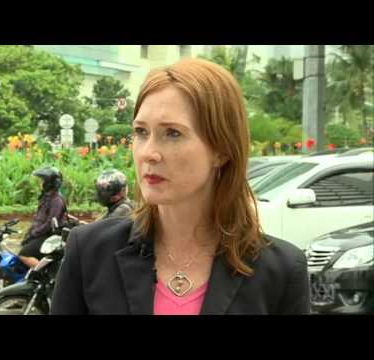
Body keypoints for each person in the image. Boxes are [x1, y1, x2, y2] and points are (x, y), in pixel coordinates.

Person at [50, 58, 310, 315]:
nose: (149, 153)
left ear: (221, 150)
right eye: (141, 132)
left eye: (172, 133)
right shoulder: (90, 251)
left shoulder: (280, 271)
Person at [18, 166, 67, 269]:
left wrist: (34, 234)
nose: (40, 183)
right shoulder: (46, 198)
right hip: (41, 234)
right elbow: (38, 220)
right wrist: (29, 234)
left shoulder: (56, 200)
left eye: (42, 180)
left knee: (24, 254)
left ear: (49, 183)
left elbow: (49, 224)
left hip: (48, 236)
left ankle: (44, 274)